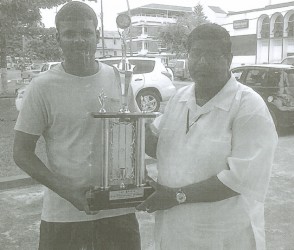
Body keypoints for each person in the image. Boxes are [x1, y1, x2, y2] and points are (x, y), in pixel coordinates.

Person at [137, 23, 278, 250]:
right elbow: (161, 148)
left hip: (223, 237)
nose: (202, 62)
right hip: (174, 233)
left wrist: (176, 196)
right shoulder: (180, 98)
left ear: (228, 59)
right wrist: (134, 127)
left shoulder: (248, 106)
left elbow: (239, 179)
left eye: (211, 54)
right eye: (196, 53)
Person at [13, 2, 140, 250]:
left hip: (118, 210)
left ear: (97, 35)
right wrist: (68, 192)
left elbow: (137, 134)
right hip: (63, 214)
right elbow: (21, 152)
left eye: (85, 32)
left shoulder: (117, 78)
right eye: (70, 34)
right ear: (58, 38)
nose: (79, 40)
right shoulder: (42, 86)